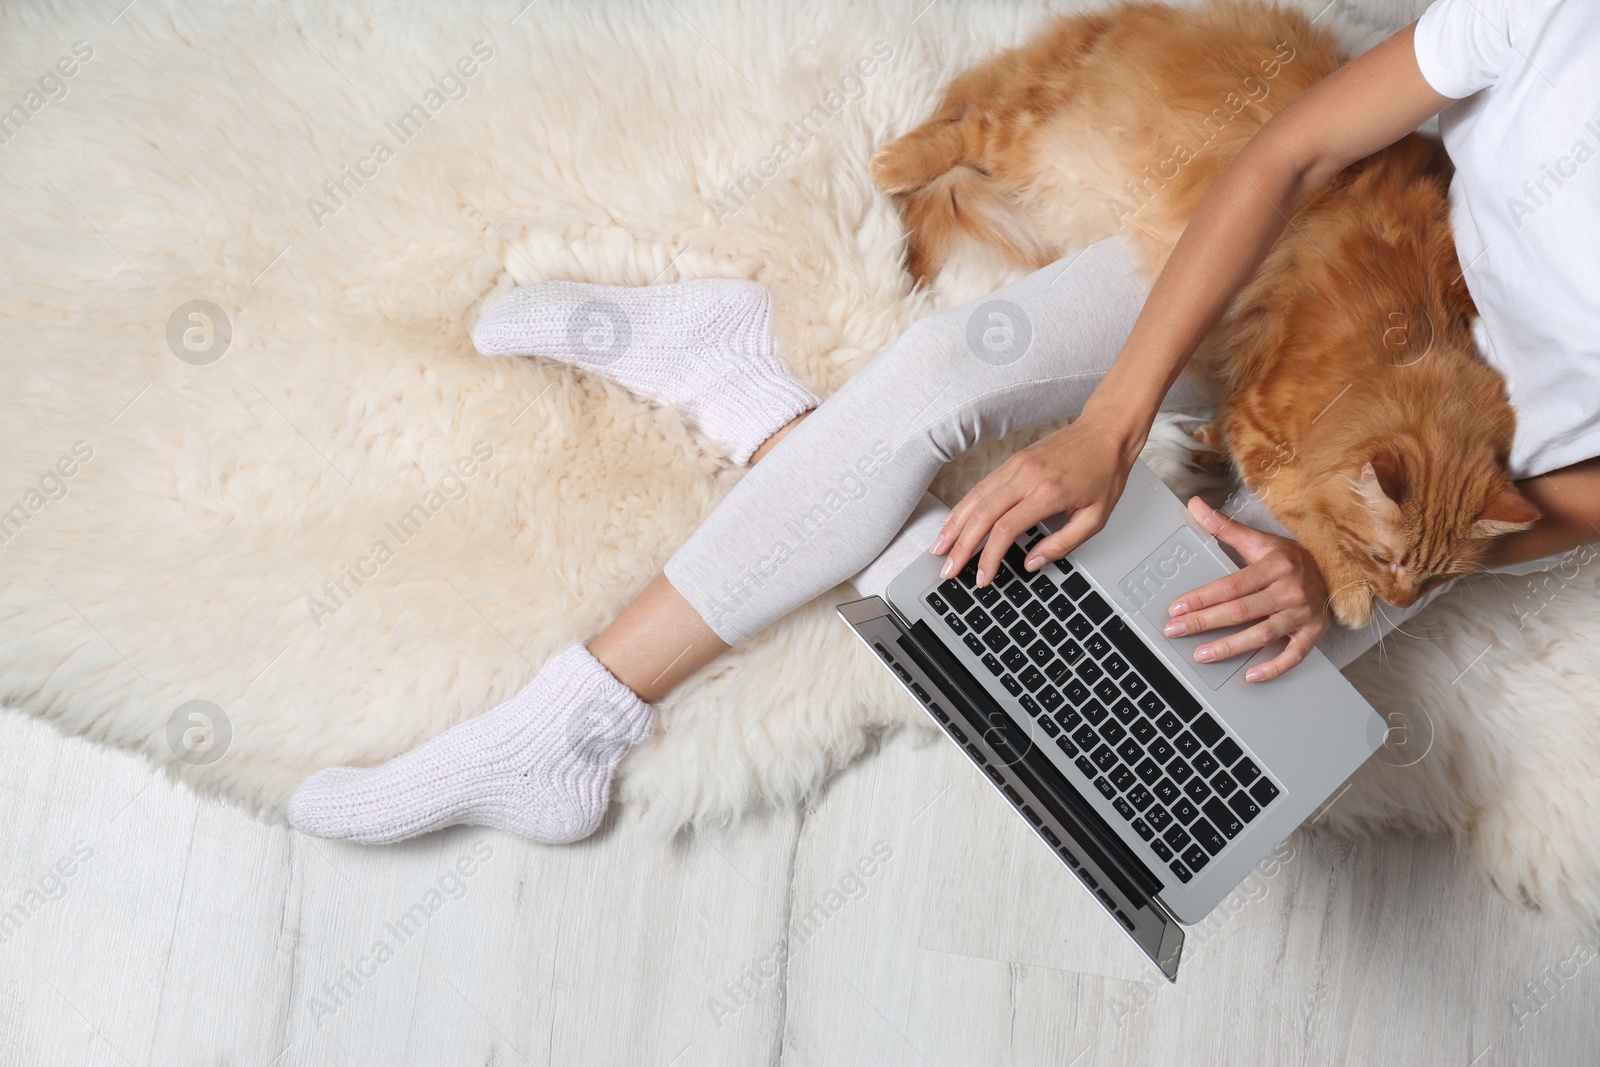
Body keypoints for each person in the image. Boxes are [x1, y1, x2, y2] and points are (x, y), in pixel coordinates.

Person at [287, 0, 1599, 845]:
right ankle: (565, 724)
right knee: (942, 380)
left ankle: (743, 393)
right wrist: (1113, 417)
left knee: (1138, 720)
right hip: (1354, 250)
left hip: (1469, 476)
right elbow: (1290, 156)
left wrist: (1324, 567)